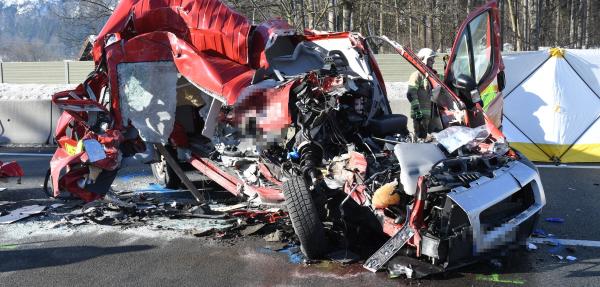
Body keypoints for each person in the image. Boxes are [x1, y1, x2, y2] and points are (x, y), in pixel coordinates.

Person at [406, 48, 437, 140]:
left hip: (430, 114)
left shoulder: (430, 75)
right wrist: (417, 112)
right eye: (431, 59)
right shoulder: (417, 75)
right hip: (420, 115)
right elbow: (411, 93)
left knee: (431, 139)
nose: (433, 61)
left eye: (433, 59)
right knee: (420, 138)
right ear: (424, 59)